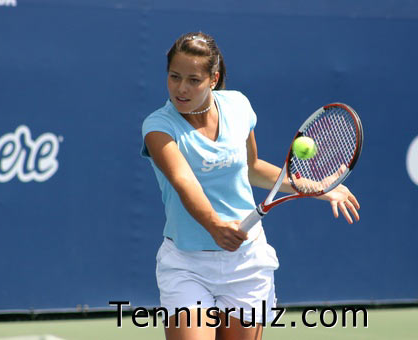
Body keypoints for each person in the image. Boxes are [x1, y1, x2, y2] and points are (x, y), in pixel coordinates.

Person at [141, 31, 360, 340]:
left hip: (246, 261)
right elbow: (183, 181)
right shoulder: (157, 127)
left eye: (193, 80)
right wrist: (215, 225)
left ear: (213, 79)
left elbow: (253, 169)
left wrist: (315, 186)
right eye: (174, 77)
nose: (181, 88)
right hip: (186, 264)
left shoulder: (238, 106)